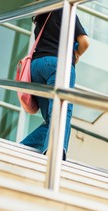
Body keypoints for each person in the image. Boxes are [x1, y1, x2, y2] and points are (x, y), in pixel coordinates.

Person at [20, 9, 89, 160]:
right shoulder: (65, 10)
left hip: (36, 68)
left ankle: (22, 148)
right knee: (62, 113)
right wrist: (76, 54)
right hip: (58, 66)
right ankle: (54, 156)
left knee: (52, 120)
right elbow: (85, 42)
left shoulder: (41, 14)